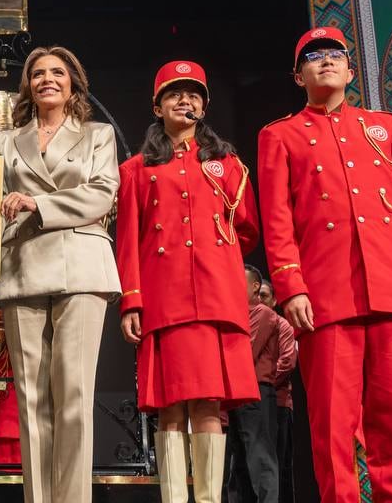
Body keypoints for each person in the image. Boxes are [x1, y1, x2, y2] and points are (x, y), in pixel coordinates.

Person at [257, 28, 392, 503]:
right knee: (333, 425)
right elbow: (276, 218)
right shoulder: (279, 135)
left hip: (388, 289)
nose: (326, 61)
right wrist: (291, 286)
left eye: (335, 54)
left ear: (351, 71)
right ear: (299, 76)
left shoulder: (386, 127)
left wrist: (376, 229)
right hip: (325, 294)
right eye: (313, 57)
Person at [114, 60, 260, 503]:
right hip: (165, 299)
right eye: (174, 94)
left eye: (193, 94)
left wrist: (217, 259)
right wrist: (132, 300)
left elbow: (246, 228)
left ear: (204, 105)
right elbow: (128, 241)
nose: (184, 101)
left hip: (215, 298)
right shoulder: (136, 170)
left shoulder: (227, 164)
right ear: (156, 106)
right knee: (171, 407)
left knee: (209, 404)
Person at [0, 45, 120, 503]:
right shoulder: (6, 141)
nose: (47, 79)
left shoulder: (97, 134)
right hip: (23, 265)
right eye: (38, 74)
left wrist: (37, 202)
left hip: (81, 264)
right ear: (28, 86)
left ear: (72, 84)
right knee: (30, 399)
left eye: (57, 73)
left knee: (74, 395)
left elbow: (102, 193)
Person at [227, 266, 295, 503]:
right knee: (240, 462)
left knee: (261, 458)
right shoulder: (237, 313)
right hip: (238, 394)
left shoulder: (263, 313)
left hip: (257, 391)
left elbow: (245, 352)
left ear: (255, 286)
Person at [259, 280, 297, 503]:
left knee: (279, 466)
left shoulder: (282, 325)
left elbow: (287, 362)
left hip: (278, 404)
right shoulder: (248, 325)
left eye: (264, 295)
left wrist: (260, 385)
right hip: (251, 407)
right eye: (256, 295)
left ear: (274, 300)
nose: (259, 300)